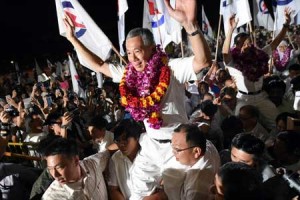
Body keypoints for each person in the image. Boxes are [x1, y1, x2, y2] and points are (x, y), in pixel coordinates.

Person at [63, 0, 212, 199]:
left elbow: (203, 61)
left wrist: (190, 26)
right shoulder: (128, 73)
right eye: (129, 52)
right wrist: (73, 39)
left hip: (177, 146)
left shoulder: (171, 68)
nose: (132, 58)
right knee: (137, 190)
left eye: (138, 51)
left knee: (177, 194)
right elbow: (99, 65)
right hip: (151, 144)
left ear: (151, 49)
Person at [222, 10, 292, 131]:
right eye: (242, 43)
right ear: (236, 46)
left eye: (248, 43)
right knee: (238, 126)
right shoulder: (233, 61)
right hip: (244, 99)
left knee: (278, 122)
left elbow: (275, 43)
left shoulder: (260, 55)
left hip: (261, 97)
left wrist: (286, 24)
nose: (246, 45)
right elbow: (224, 53)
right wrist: (230, 30)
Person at [162, 124, 220, 200]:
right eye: (172, 146)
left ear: (196, 151)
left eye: (177, 149)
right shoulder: (206, 144)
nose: (173, 153)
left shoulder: (196, 189)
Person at [40, 136, 109, 200]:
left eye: (59, 167)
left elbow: (108, 152)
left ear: (76, 160)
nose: (55, 175)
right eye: (50, 169)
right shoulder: (52, 197)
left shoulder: (92, 164)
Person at [107, 119, 143, 200]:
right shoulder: (115, 159)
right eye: (118, 140)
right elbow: (113, 189)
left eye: (125, 140)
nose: (121, 144)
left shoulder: (147, 155)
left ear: (137, 137)